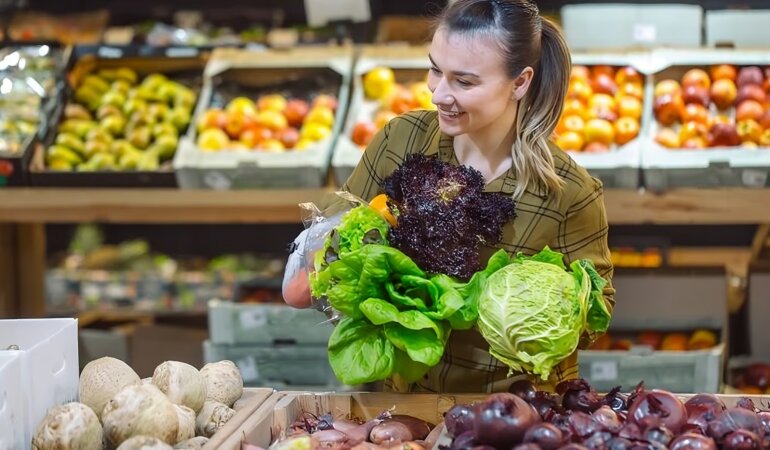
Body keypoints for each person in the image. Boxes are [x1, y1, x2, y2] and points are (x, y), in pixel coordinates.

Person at [283, 0, 615, 393]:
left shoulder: (568, 192)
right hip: (400, 404)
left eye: (464, 81)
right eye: (435, 70)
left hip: (512, 411)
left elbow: (596, 311)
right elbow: (317, 262)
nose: (439, 94)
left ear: (520, 82)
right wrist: (342, 255)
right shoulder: (399, 140)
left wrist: (520, 314)